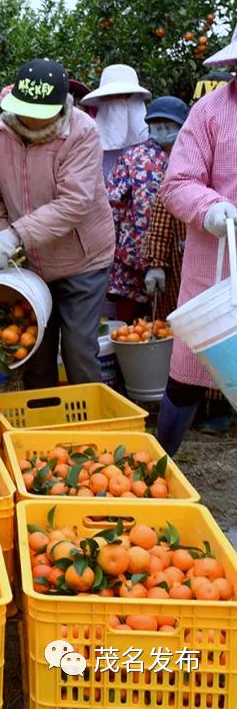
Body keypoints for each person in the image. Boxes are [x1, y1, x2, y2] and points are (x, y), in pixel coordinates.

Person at [0, 59, 115, 389]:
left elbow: (74, 203)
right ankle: (43, 428)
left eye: (39, 113)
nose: (30, 120)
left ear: (59, 107)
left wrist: (15, 234)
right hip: (30, 263)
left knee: (78, 347)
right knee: (34, 347)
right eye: (24, 110)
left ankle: (92, 427)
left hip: (83, 259)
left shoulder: (81, 132)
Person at [155, 29, 237, 455]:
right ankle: (162, 459)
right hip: (216, 265)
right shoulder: (210, 112)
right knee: (188, 370)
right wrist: (210, 208)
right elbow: (178, 182)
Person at [105, 96, 189, 322]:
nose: (163, 129)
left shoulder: (193, 156)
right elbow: (113, 205)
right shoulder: (132, 158)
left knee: (175, 321)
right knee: (132, 328)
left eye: (170, 125)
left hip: (181, 258)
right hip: (132, 259)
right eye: (157, 124)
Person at [80, 64, 152, 179]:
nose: (118, 102)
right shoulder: (87, 142)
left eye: (125, 95)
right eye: (110, 96)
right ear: (102, 99)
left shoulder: (154, 148)